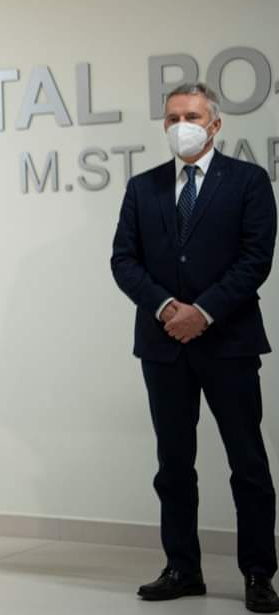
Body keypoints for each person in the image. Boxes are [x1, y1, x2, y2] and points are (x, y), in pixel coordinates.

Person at [112, 82, 278, 612]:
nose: (181, 125)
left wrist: (202, 312)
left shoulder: (249, 181)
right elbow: (123, 260)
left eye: (192, 116)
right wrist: (167, 308)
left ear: (215, 124)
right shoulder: (144, 187)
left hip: (229, 342)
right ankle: (182, 568)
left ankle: (258, 573)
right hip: (163, 346)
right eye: (172, 117)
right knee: (173, 464)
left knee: (247, 462)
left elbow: (255, 258)